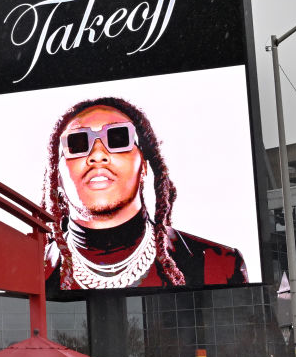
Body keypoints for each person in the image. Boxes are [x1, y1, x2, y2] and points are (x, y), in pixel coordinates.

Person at [43, 96, 247, 292]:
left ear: (145, 166)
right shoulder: (32, 274)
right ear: (56, 176)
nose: (98, 155)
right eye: (77, 143)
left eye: (117, 138)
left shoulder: (218, 266)